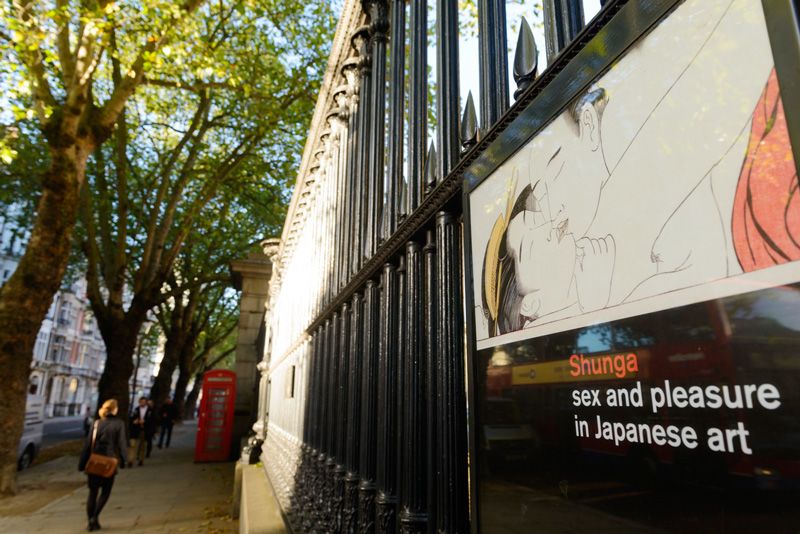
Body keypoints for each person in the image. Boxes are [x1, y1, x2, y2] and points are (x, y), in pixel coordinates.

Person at [79, 399, 127, 532]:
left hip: (94, 461)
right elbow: (122, 443)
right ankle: (95, 517)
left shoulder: (96, 423)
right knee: (105, 492)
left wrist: (82, 463)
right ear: (114, 409)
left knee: (92, 493)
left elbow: (88, 445)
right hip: (109, 462)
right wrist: (124, 459)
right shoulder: (119, 424)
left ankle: (91, 521)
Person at [129, 397, 154, 466]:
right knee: (133, 445)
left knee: (142, 446)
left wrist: (145, 422)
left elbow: (153, 421)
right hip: (136, 430)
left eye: (144, 402)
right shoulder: (136, 409)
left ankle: (141, 459)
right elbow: (131, 418)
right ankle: (131, 460)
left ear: (146, 403)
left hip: (145, 430)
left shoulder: (150, 411)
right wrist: (134, 421)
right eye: (141, 402)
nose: (142, 403)